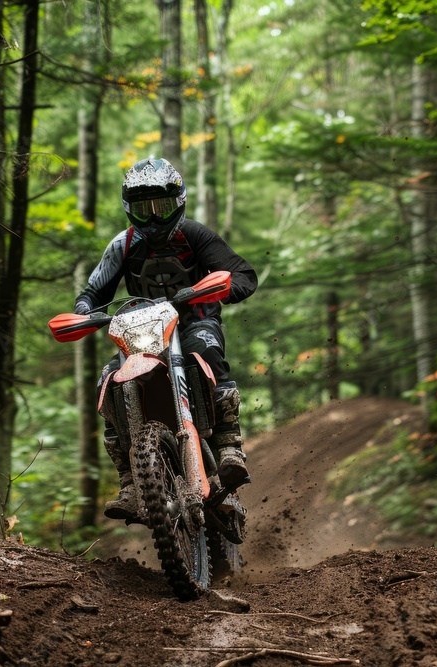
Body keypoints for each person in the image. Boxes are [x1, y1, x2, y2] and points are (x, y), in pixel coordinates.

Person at [74, 156, 258, 522]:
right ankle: (129, 481)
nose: (155, 217)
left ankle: (228, 446)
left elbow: (242, 274)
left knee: (206, 349)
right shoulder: (122, 245)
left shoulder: (195, 236)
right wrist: (83, 312)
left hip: (193, 322)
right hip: (142, 332)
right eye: (144, 209)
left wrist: (220, 287)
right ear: (130, 209)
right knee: (108, 381)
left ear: (179, 202)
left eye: (163, 207)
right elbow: (93, 292)